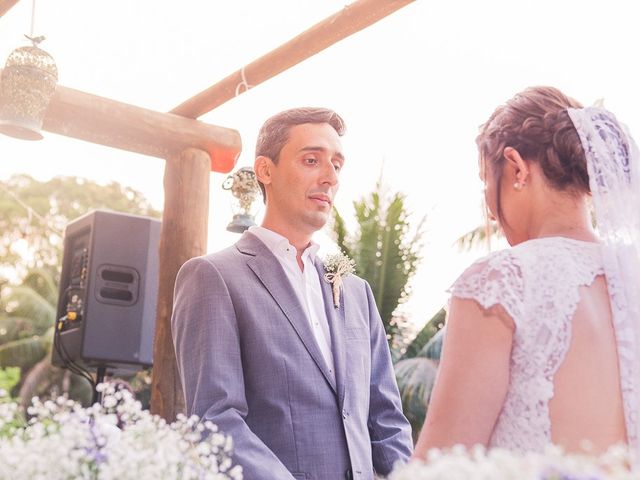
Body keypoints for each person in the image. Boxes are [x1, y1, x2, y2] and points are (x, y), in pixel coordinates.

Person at [172, 107, 413, 480]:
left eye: (337, 164)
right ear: (265, 170)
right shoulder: (214, 277)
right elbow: (214, 419)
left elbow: (386, 420)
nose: (330, 177)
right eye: (312, 160)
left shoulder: (356, 292)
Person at [414, 86, 640, 458]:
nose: (489, 211)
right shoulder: (630, 274)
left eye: (487, 182)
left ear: (516, 167)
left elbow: (443, 463)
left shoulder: (500, 281)